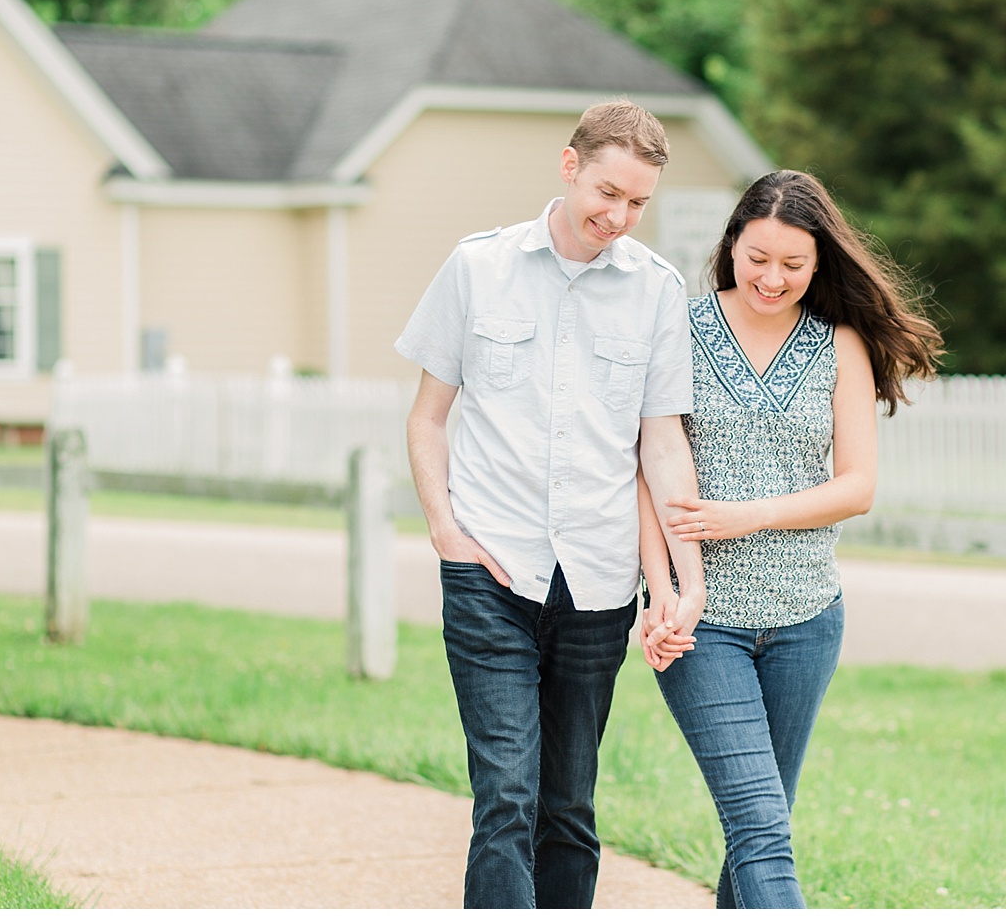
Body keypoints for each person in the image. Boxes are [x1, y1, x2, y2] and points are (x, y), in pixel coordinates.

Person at [396, 100, 708, 909]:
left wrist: (675, 576)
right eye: (608, 191)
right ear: (569, 166)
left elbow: (662, 444)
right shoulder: (478, 266)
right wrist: (444, 530)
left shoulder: (656, 290)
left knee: (567, 807)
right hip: (489, 569)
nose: (619, 215)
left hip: (599, 581)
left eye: (639, 202)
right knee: (505, 797)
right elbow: (428, 417)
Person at [639, 169, 944, 908]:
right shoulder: (677, 327)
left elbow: (857, 486)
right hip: (702, 625)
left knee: (759, 826)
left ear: (819, 262)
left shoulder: (839, 344)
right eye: (757, 257)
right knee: (761, 826)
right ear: (731, 244)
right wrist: (662, 592)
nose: (772, 278)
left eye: (793, 265)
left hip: (808, 620)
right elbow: (645, 470)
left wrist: (747, 513)